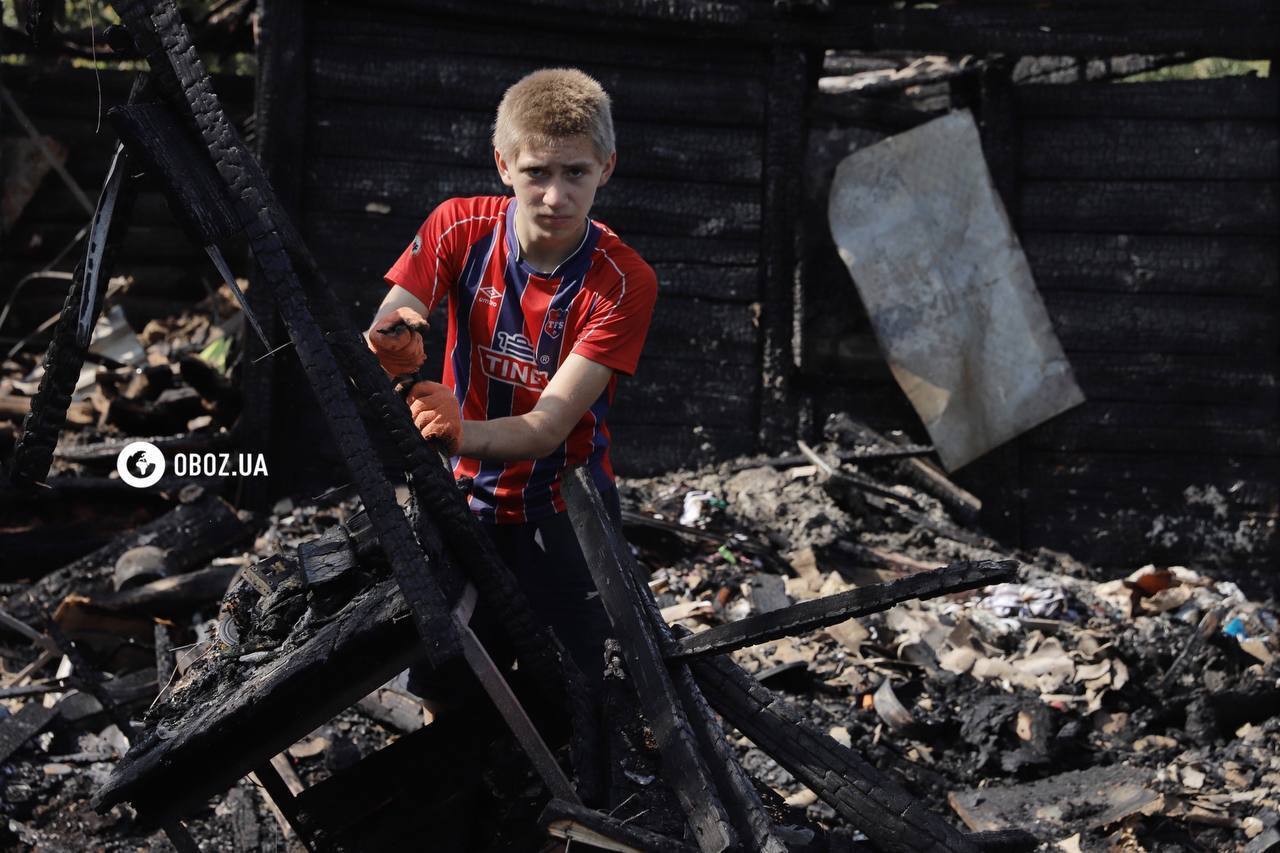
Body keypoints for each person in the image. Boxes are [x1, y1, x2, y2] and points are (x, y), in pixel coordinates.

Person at [365, 68, 658, 696]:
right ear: (503, 165)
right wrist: (396, 341)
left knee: (578, 693)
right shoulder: (458, 227)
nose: (555, 197)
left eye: (575, 173)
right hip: (459, 497)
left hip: (566, 505)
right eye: (536, 174)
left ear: (606, 167)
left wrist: (458, 431)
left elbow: (548, 427)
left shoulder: (623, 281)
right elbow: (394, 315)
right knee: (453, 683)